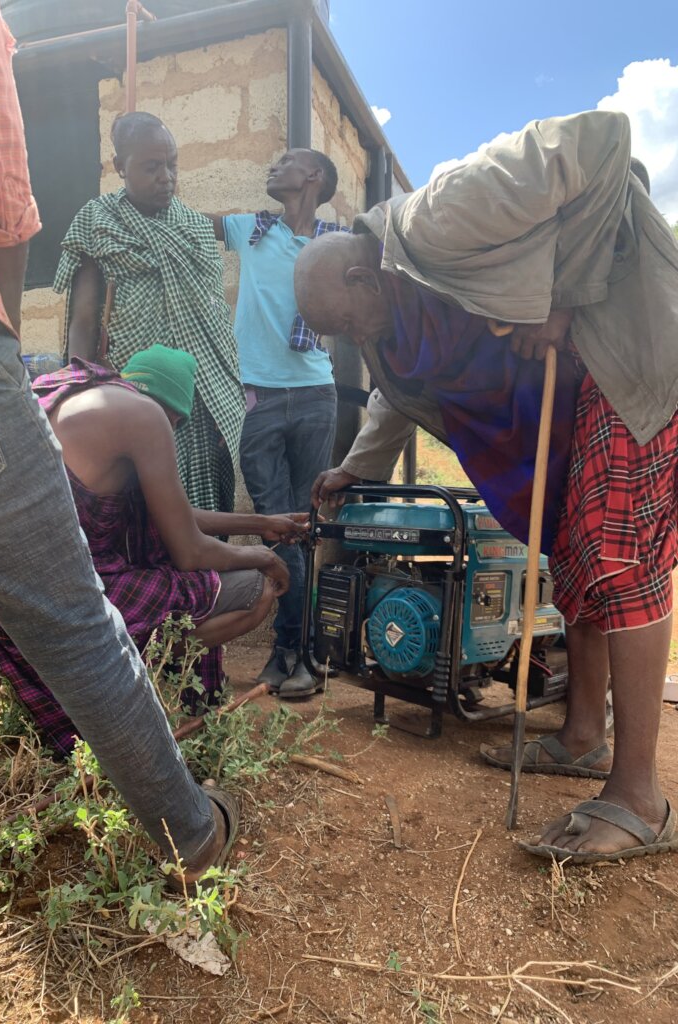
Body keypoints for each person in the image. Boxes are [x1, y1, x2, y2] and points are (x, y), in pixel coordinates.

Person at [295, 110, 678, 864]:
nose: (356, 341)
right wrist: (357, 471)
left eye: (348, 321)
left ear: (360, 274)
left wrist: (564, 293)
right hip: (571, 405)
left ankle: (642, 798)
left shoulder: (441, 217)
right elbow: (397, 396)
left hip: (629, 349)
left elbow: (604, 143)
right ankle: (582, 736)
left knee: (618, 562)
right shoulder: (392, 322)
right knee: (575, 572)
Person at [0, 0, 234, 883]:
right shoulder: (133, 413)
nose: (164, 176)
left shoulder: (106, 399)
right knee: (75, 622)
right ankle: (190, 831)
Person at [0, 345, 303, 754]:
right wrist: (265, 557)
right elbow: (189, 551)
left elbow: (173, 513)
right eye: (177, 422)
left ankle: (135, 677)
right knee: (254, 590)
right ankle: (132, 683)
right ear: (172, 413)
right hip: (62, 605)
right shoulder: (145, 417)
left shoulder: (67, 397)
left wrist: (262, 525)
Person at [55, 112, 245, 515]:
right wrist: (78, 385)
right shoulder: (97, 220)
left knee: (202, 493)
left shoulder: (194, 226)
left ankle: (202, 575)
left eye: (172, 164)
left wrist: (226, 387)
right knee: (134, 499)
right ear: (120, 167)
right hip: (131, 386)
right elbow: (84, 318)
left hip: (200, 390)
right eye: (151, 166)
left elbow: (214, 315)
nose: (166, 177)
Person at [206, 149, 345, 697]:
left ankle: (298, 652)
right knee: (275, 524)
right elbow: (184, 222)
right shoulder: (252, 231)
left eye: (286, 161)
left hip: (315, 394)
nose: (271, 166)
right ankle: (292, 649)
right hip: (258, 398)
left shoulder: (335, 245)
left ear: (313, 177)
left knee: (305, 527)